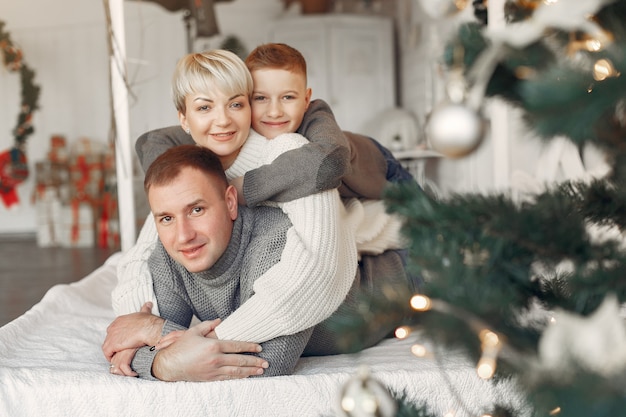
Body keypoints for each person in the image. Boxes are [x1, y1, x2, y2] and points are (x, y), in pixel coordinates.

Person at [107, 49, 406, 377]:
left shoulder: (289, 156)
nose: (222, 120)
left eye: (236, 104)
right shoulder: (190, 172)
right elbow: (145, 255)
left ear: (249, 106)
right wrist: (138, 325)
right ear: (183, 119)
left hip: (385, 256)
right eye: (205, 107)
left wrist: (176, 346)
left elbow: (318, 271)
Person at [105, 144, 409, 380]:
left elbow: (270, 361)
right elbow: (129, 342)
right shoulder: (168, 254)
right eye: (167, 218)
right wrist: (154, 345)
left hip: (400, 285)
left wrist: (157, 339)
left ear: (229, 202)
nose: (183, 235)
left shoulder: (276, 242)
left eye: (197, 210)